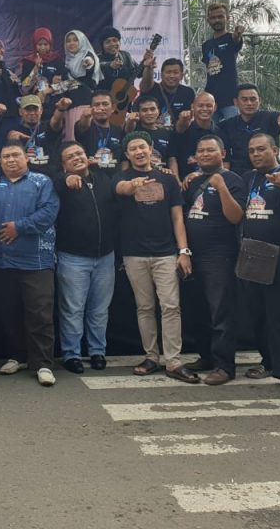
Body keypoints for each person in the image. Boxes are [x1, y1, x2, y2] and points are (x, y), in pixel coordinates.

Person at [0, 143, 60, 387]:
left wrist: (19, 227)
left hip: (37, 260)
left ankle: (43, 363)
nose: (10, 160)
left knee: (40, 313)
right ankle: (18, 356)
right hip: (3, 261)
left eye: (15, 155)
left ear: (26, 158)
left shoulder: (41, 182)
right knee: (9, 312)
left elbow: (49, 212)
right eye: (5, 156)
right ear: (0, 161)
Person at [116, 131, 196, 383]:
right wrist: (133, 185)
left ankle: (173, 361)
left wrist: (183, 251)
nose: (138, 152)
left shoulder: (168, 179)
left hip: (166, 253)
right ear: (127, 154)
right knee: (145, 307)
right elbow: (120, 189)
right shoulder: (122, 177)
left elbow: (177, 218)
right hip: (134, 254)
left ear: (151, 149)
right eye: (133, 149)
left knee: (171, 306)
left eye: (142, 147)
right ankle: (151, 356)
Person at [238, 132, 280, 395]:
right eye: (252, 150)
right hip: (252, 256)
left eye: (261, 149)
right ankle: (268, 361)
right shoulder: (249, 177)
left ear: (274, 150)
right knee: (257, 314)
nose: (256, 154)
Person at [181, 134, 246, 386]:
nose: (205, 154)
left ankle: (224, 366)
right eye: (201, 151)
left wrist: (221, 187)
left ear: (223, 154)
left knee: (221, 312)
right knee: (199, 311)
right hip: (193, 255)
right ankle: (206, 356)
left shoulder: (233, 180)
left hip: (219, 255)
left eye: (210, 150)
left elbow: (236, 217)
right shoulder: (194, 181)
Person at [53, 142, 118, 373]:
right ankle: (72, 354)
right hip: (73, 258)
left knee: (99, 310)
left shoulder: (104, 180)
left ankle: (97, 351)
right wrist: (66, 179)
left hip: (105, 257)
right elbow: (55, 180)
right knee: (72, 309)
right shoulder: (60, 183)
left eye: (79, 153)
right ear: (64, 165)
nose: (77, 158)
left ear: (87, 156)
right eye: (70, 156)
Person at [223, 84, 280, 174]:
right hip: (240, 175)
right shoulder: (227, 125)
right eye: (244, 99)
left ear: (260, 100)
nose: (249, 103)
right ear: (236, 102)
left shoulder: (269, 118)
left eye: (253, 99)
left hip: (270, 173)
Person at [201, 2, 245, 122]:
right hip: (211, 100)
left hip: (230, 98)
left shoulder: (231, 38)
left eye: (220, 17)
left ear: (227, 18)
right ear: (208, 20)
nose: (217, 20)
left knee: (233, 129)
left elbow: (236, 41)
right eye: (213, 17)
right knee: (210, 131)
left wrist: (238, 35)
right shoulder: (206, 45)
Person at [2, 94, 64, 175]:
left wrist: (60, 109)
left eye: (35, 109)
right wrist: (13, 143)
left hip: (51, 174)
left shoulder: (48, 127)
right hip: (26, 176)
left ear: (41, 110)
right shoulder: (13, 132)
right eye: (27, 109)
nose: (32, 113)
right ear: (20, 112)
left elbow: (56, 121)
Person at [59, 30, 102, 139]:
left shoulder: (87, 55)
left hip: (83, 105)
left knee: (81, 138)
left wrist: (88, 62)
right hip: (70, 106)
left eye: (75, 40)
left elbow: (89, 62)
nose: (71, 43)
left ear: (82, 41)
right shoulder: (69, 61)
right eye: (68, 41)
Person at [172, 92, 225, 180]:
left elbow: (225, 162)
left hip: (212, 182)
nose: (204, 109)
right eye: (200, 105)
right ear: (192, 107)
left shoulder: (221, 133)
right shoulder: (183, 130)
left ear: (215, 107)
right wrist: (177, 182)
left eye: (208, 106)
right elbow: (172, 157)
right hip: (184, 182)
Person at [137, 57, 196, 128]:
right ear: (161, 75)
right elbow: (146, 83)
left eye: (175, 73)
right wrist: (149, 68)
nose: (171, 76)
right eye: (168, 72)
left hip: (179, 131)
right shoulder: (151, 89)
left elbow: (192, 116)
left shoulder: (188, 92)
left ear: (182, 76)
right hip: (153, 131)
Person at [74, 90, 124, 173]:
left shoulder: (118, 130)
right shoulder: (86, 126)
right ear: (90, 108)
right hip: (90, 176)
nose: (101, 108)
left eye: (105, 104)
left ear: (113, 108)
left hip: (114, 177)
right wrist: (86, 116)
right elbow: (83, 125)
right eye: (96, 105)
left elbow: (122, 159)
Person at [123, 97, 174, 170]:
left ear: (158, 111)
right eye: (144, 110)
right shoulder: (133, 132)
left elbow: (171, 158)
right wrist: (131, 121)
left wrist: (174, 175)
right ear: (138, 113)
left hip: (163, 173)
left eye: (153, 109)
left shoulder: (167, 133)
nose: (149, 113)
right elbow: (128, 130)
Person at [19, 27, 65, 100]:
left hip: (54, 101)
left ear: (50, 44)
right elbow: (24, 88)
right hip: (33, 102)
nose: (43, 48)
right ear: (35, 44)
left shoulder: (56, 60)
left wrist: (52, 87)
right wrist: (34, 70)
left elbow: (66, 83)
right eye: (40, 44)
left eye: (46, 44)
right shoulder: (28, 61)